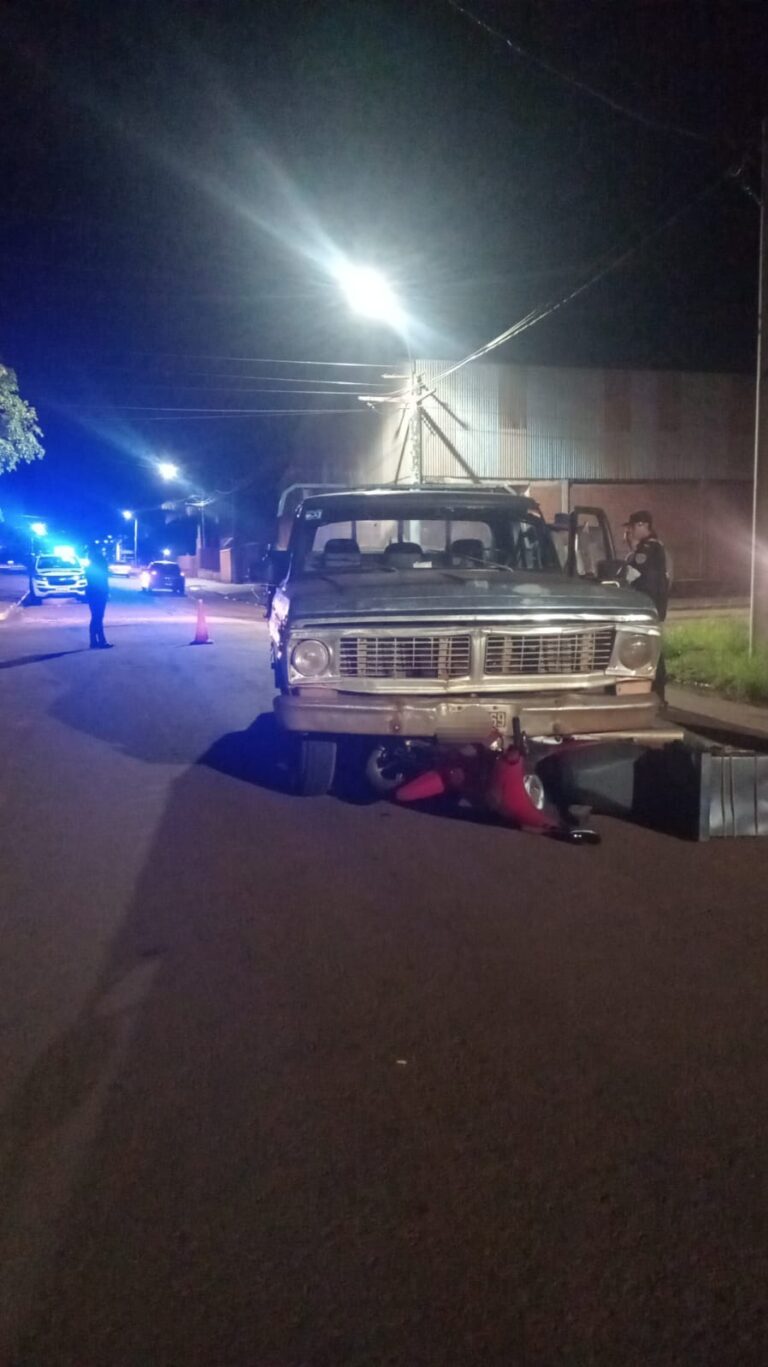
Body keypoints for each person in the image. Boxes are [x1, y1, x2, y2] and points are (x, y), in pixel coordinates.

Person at [621, 510, 668, 698]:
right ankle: (656, 692)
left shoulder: (648, 549)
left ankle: (656, 692)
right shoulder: (655, 547)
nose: (630, 532)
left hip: (646, 606)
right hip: (652, 606)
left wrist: (632, 549)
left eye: (632, 527)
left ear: (642, 526)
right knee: (651, 647)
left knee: (650, 648)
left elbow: (631, 575)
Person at [85, 546, 112, 649]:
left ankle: (95, 641)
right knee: (98, 617)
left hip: (93, 594)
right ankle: (100, 641)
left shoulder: (90, 569)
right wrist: (106, 593)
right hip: (99, 594)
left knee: (96, 617)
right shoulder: (98, 570)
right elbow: (103, 582)